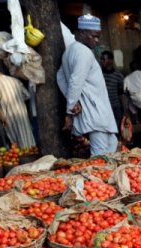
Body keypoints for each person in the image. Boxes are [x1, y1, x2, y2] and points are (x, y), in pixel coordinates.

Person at [56, 15, 118, 155]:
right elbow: (75, 81)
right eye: (93, 36)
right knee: (101, 156)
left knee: (112, 143)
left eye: (98, 37)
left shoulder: (69, 51)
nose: (96, 40)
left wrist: (73, 100)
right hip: (95, 112)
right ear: (82, 32)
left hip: (98, 112)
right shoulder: (83, 52)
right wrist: (70, 108)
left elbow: (60, 76)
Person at [0, 66, 35, 148]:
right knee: (26, 134)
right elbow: (27, 95)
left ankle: (19, 155)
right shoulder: (15, 80)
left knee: (13, 137)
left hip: (7, 114)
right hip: (21, 112)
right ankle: (30, 152)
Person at [100, 50, 125, 134]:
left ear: (110, 61)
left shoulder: (118, 75)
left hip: (115, 107)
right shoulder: (98, 74)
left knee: (116, 130)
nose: (101, 61)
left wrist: (124, 110)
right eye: (101, 59)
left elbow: (121, 94)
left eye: (104, 59)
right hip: (102, 108)